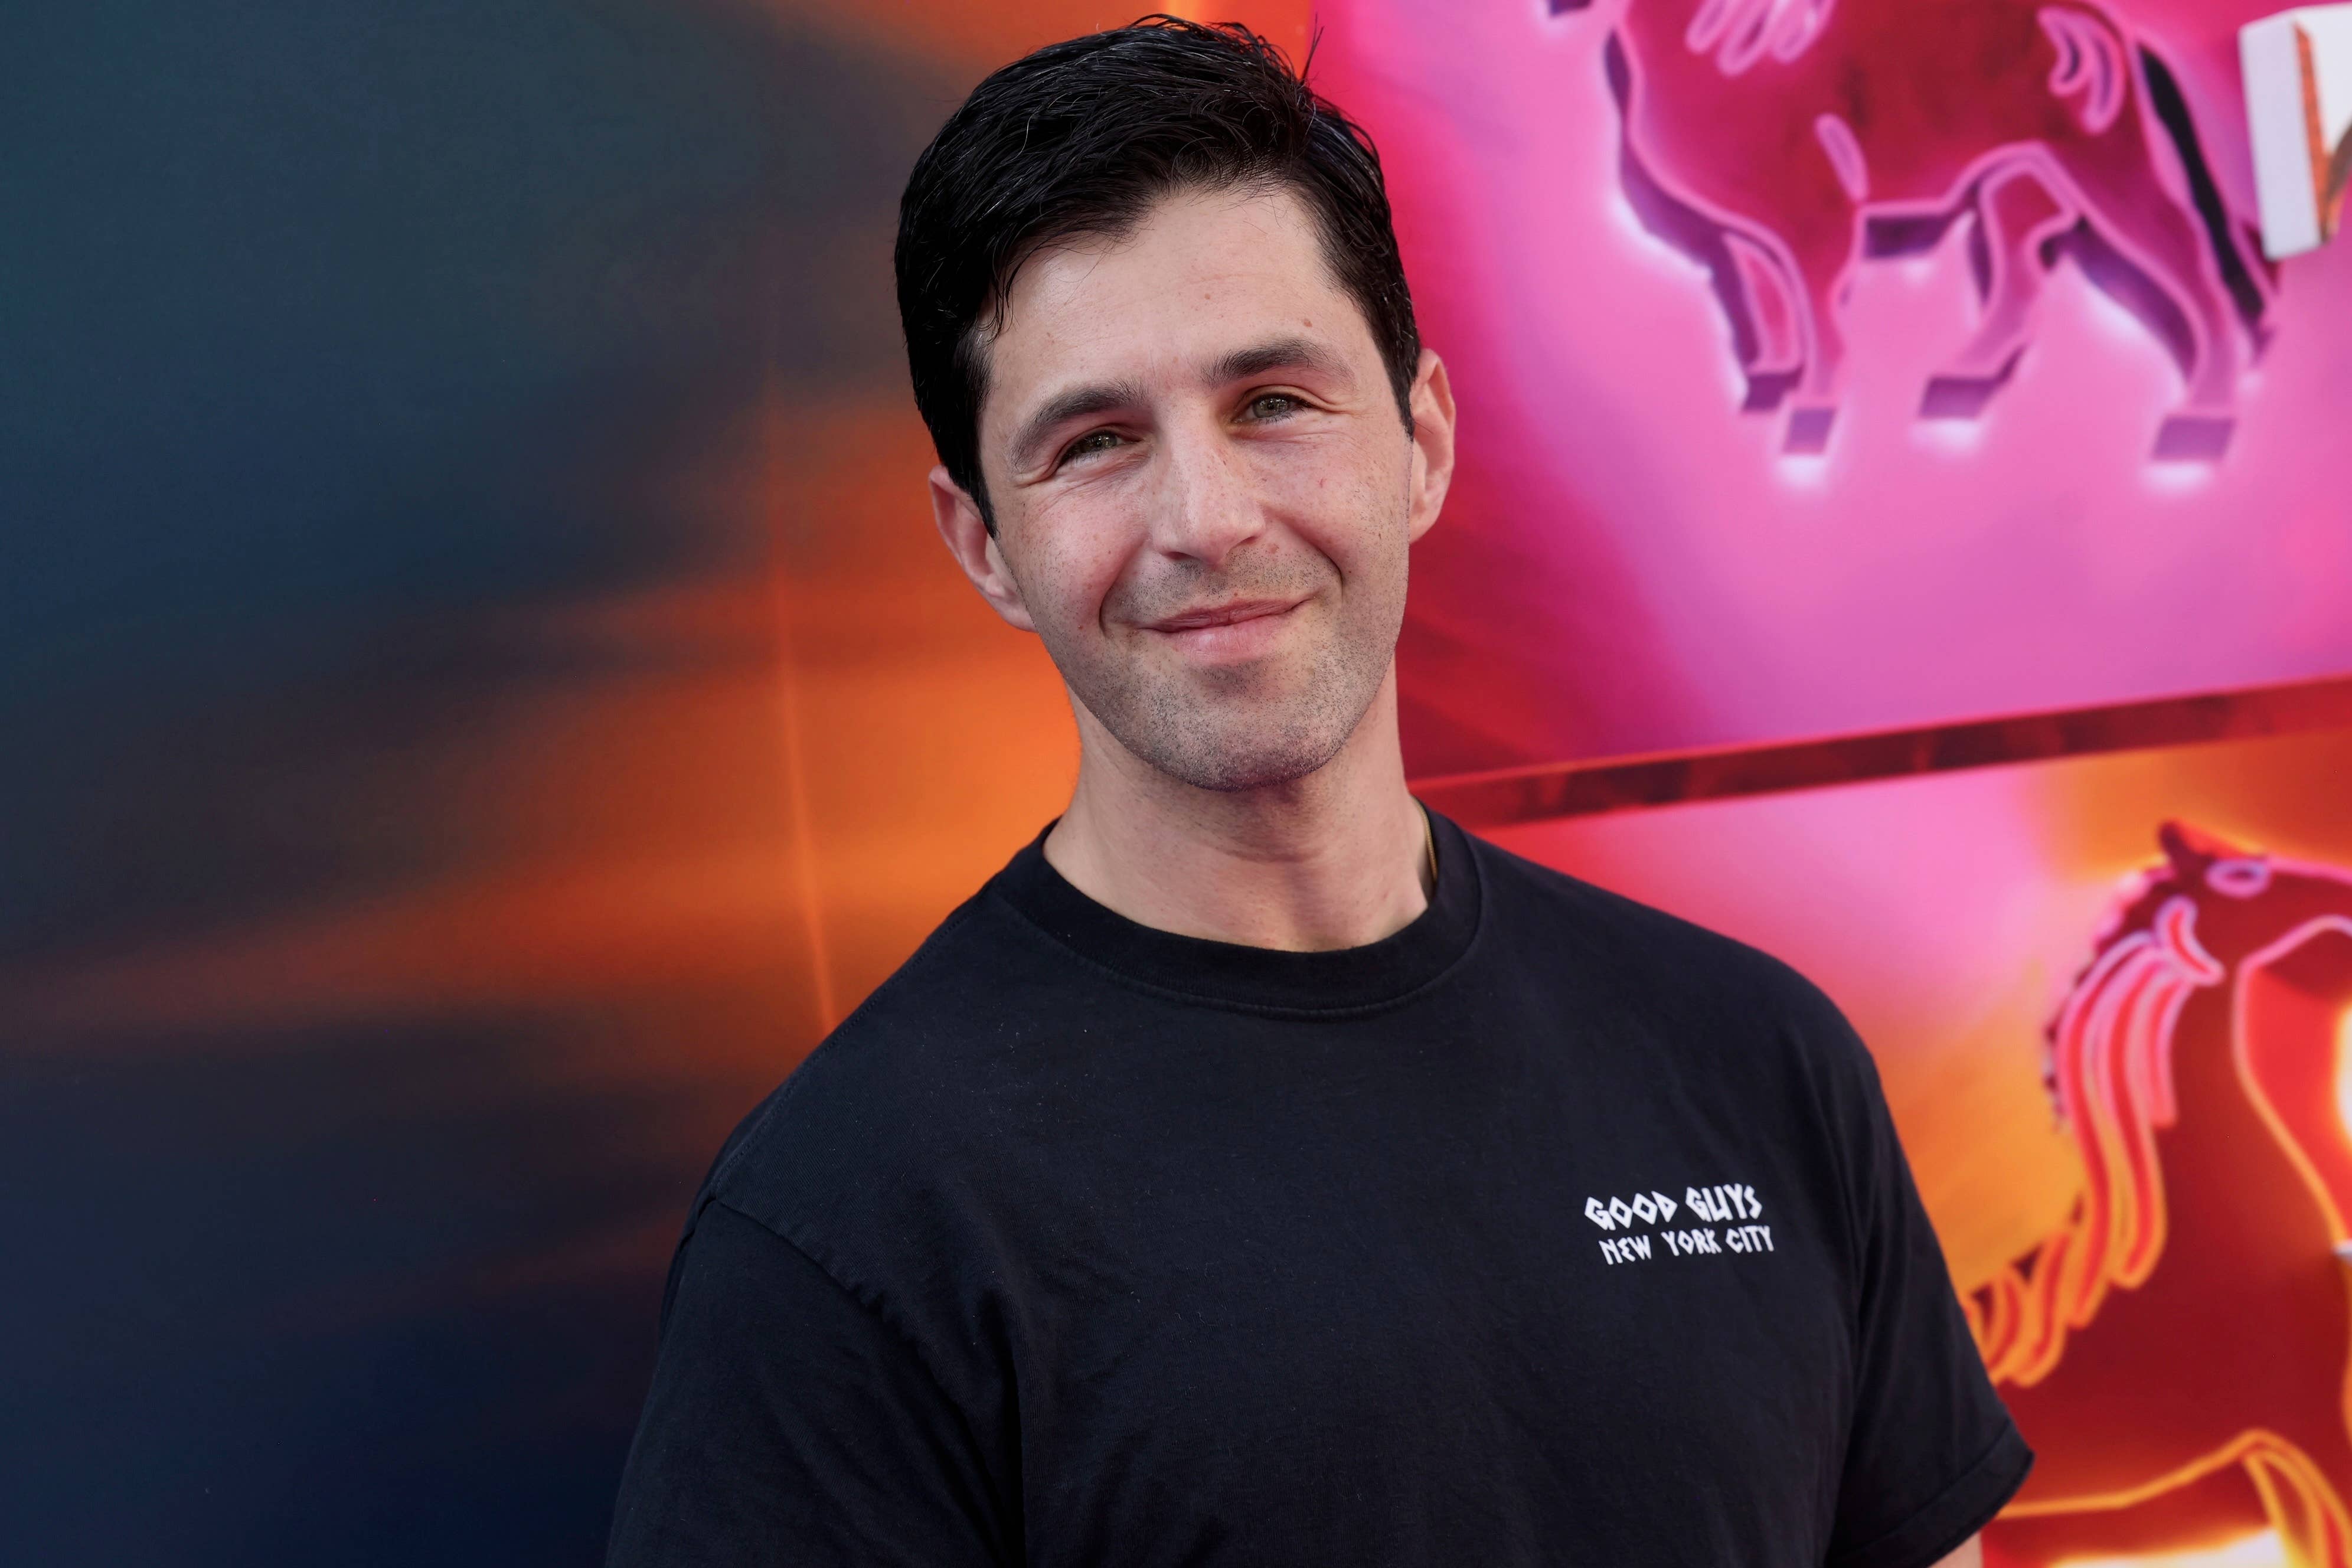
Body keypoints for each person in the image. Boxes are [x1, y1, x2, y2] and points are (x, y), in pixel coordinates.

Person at [605, 17, 2030, 1566]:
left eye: (1273, 402)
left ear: (1420, 442)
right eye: (1094, 443)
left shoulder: (1758, 1061)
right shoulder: (849, 1231)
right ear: (983, 546)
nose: (1205, 520)